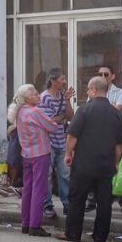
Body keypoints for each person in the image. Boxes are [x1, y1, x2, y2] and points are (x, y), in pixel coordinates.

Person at [56, 76, 122, 242]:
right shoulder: (117, 115)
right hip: (105, 165)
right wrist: (116, 162)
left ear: (94, 90)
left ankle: (73, 233)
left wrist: (68, 154)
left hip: (83, 165)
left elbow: (72, 136)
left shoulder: (84, 110)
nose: (87, 92)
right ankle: (100, 236)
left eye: (88, 89)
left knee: (77, 199)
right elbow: (119, 145)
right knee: (104, 202)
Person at [10, 84, 60, 237]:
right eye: (36, 94)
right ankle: (35, 224)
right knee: (39, 189)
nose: (39, 96)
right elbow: (53, 127)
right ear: (27, 98)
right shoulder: (35, 112)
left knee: (28, 189)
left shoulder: (19, 113)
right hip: (40, 154)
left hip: (26, 154)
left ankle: (26, 223)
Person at [37, 68, 75, 218]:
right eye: (62, 79)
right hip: (47, 141)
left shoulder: (62, 96)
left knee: (65, 174)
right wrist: (61, 117)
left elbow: (71, 116)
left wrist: (66, 101)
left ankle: (67, 204)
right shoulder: (44, 97)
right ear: (52, 81)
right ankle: (47, 205)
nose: (65, 81)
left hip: (61, 140)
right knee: (47, 175)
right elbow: (46, 121)